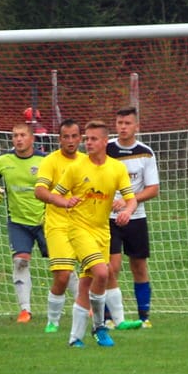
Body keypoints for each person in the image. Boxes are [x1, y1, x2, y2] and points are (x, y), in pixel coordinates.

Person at [41, 120, 137, 348]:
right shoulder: (76, 168)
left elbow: (130, 199)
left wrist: (127, 210)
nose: (88, 143)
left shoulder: (116, 168)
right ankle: (100, 326)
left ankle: (75, 338)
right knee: (102, 273)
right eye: (87, 139)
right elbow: (50, 194)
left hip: (102, 231)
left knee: (86, 283)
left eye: (93, 139)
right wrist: (64, 201)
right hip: (78, 229)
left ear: (105, 141)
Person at [0, 123, 47, 323]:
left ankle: (83, 304)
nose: (18, 139)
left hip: (46, 221)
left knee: (62, 264)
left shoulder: (45, 160)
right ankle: (25, 310)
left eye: (22, 135)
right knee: (20, 261)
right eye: (15, 136)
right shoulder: (3, 161)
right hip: (18, 222)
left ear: (32, 138)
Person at [105, 106, 159, 329]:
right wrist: (109, 201)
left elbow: (153, 188)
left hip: (136, 218)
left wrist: (130, 202)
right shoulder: (105, 150)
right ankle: (108, 317)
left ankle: (144, 317)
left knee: (139, 266)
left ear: (137, 126)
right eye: (119, 123)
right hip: (108, 217)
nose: (123, 127)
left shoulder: (145, 153)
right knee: (110, 268)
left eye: (127, 123)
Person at [33, 119, 85, 332]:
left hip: (85, 225)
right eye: (66, 137)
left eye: (74, 136)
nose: (70, 141)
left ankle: (102, 319)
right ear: (59, 139)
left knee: (97, 273)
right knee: (63, 275)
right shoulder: (50, 162)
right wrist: (62, 201)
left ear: (80, 139)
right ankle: (53, 321)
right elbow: (40, 191)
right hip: (58, 225)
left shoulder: (87, 161)